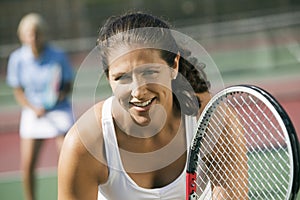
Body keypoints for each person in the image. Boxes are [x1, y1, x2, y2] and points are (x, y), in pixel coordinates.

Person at [58, 12, 248, 200]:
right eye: (122, 77)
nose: (138, 91)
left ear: (174, 65)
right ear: (108, 78)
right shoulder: (85, 143)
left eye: (149, 72)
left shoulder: (212, 120)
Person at [6, 13, 74, 200]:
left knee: (69, 159)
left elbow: (68, 85)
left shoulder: (58, 55)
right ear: (22, 36)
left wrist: (57, 97)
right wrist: (34, 108)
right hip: (32, 112)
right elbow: (18, 92)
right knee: (27, 165)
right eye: (29, 34)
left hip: (59, 110)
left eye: (37, 33)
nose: (33, 38)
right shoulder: (16, 59)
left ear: (43, 34)